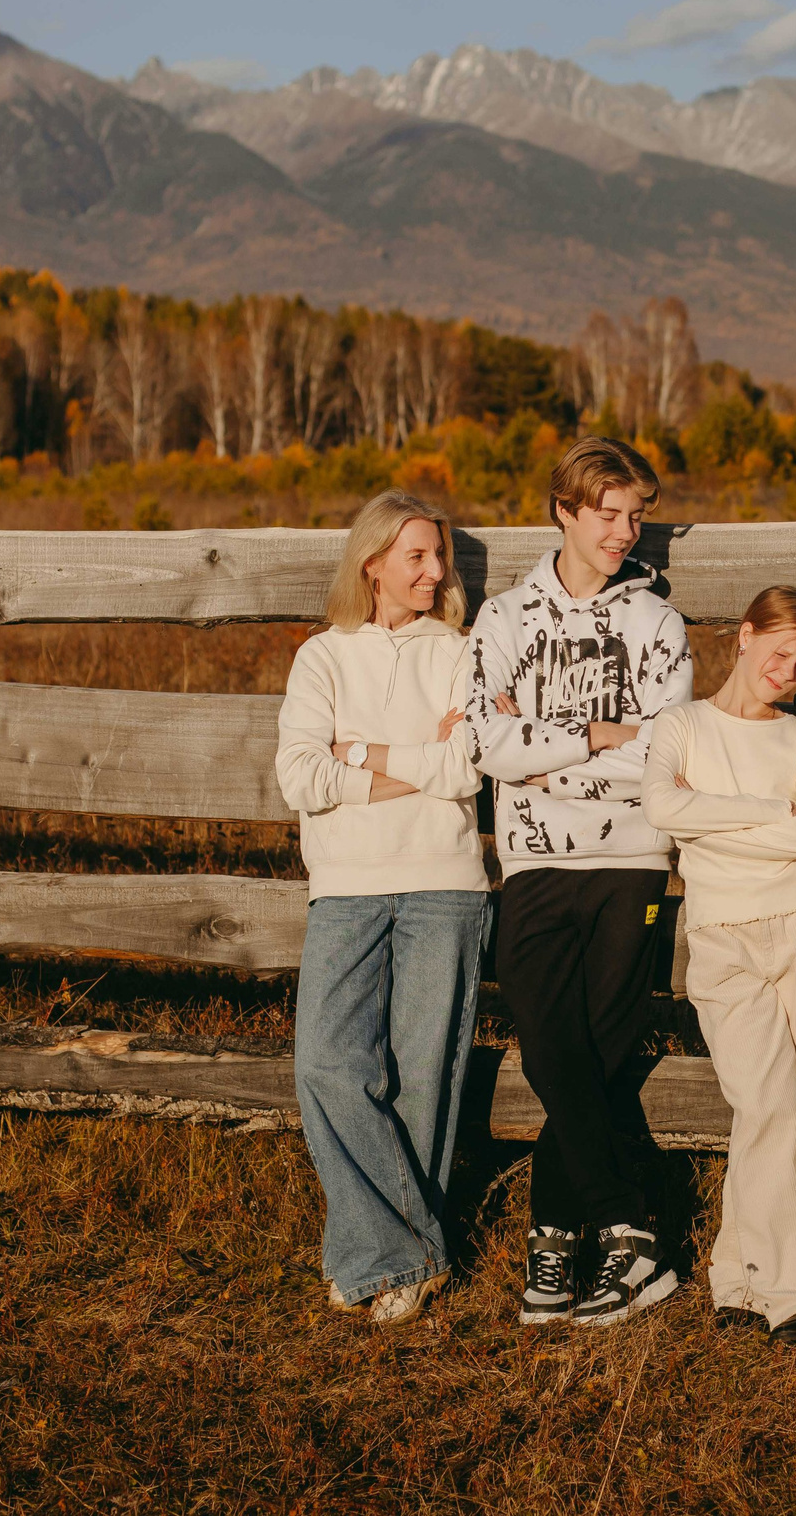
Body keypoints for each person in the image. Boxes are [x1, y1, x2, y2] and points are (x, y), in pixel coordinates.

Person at [466, 437, 693, 1326]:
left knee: (595, 1048)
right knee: (551, 1044)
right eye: (607, 513)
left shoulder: (657, 624)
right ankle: (630, 1227)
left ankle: (554, 1238)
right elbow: (485, 742)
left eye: (636, 516)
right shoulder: (503, 619)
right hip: (532, 861)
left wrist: (544, 756)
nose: (624, 531)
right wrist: (601, 734)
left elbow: (664, 755)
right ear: (564, 509)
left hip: (632, 860)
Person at [276, 489, 490, 1326]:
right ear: (371, 564)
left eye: (441, 556)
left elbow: (466, 767)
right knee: (327, 1065)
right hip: (346, 883)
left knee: (424, 1074)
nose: (436, 572)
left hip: (446, 881)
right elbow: (302, 776)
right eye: (417, 556)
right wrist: (419, 760)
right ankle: (402, 1251)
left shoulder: (462, 652)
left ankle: (383, 1261)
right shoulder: (322, 658)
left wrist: (361, 752)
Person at [642, 586, 796, 1345]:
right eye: (781, 650)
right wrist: (770, 812)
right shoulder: (682, 725)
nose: (789, 671)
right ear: (744, 634)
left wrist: (713, 811)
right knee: (770, 1103)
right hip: (724, 936)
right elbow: (662, 807)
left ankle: (739, 1272)